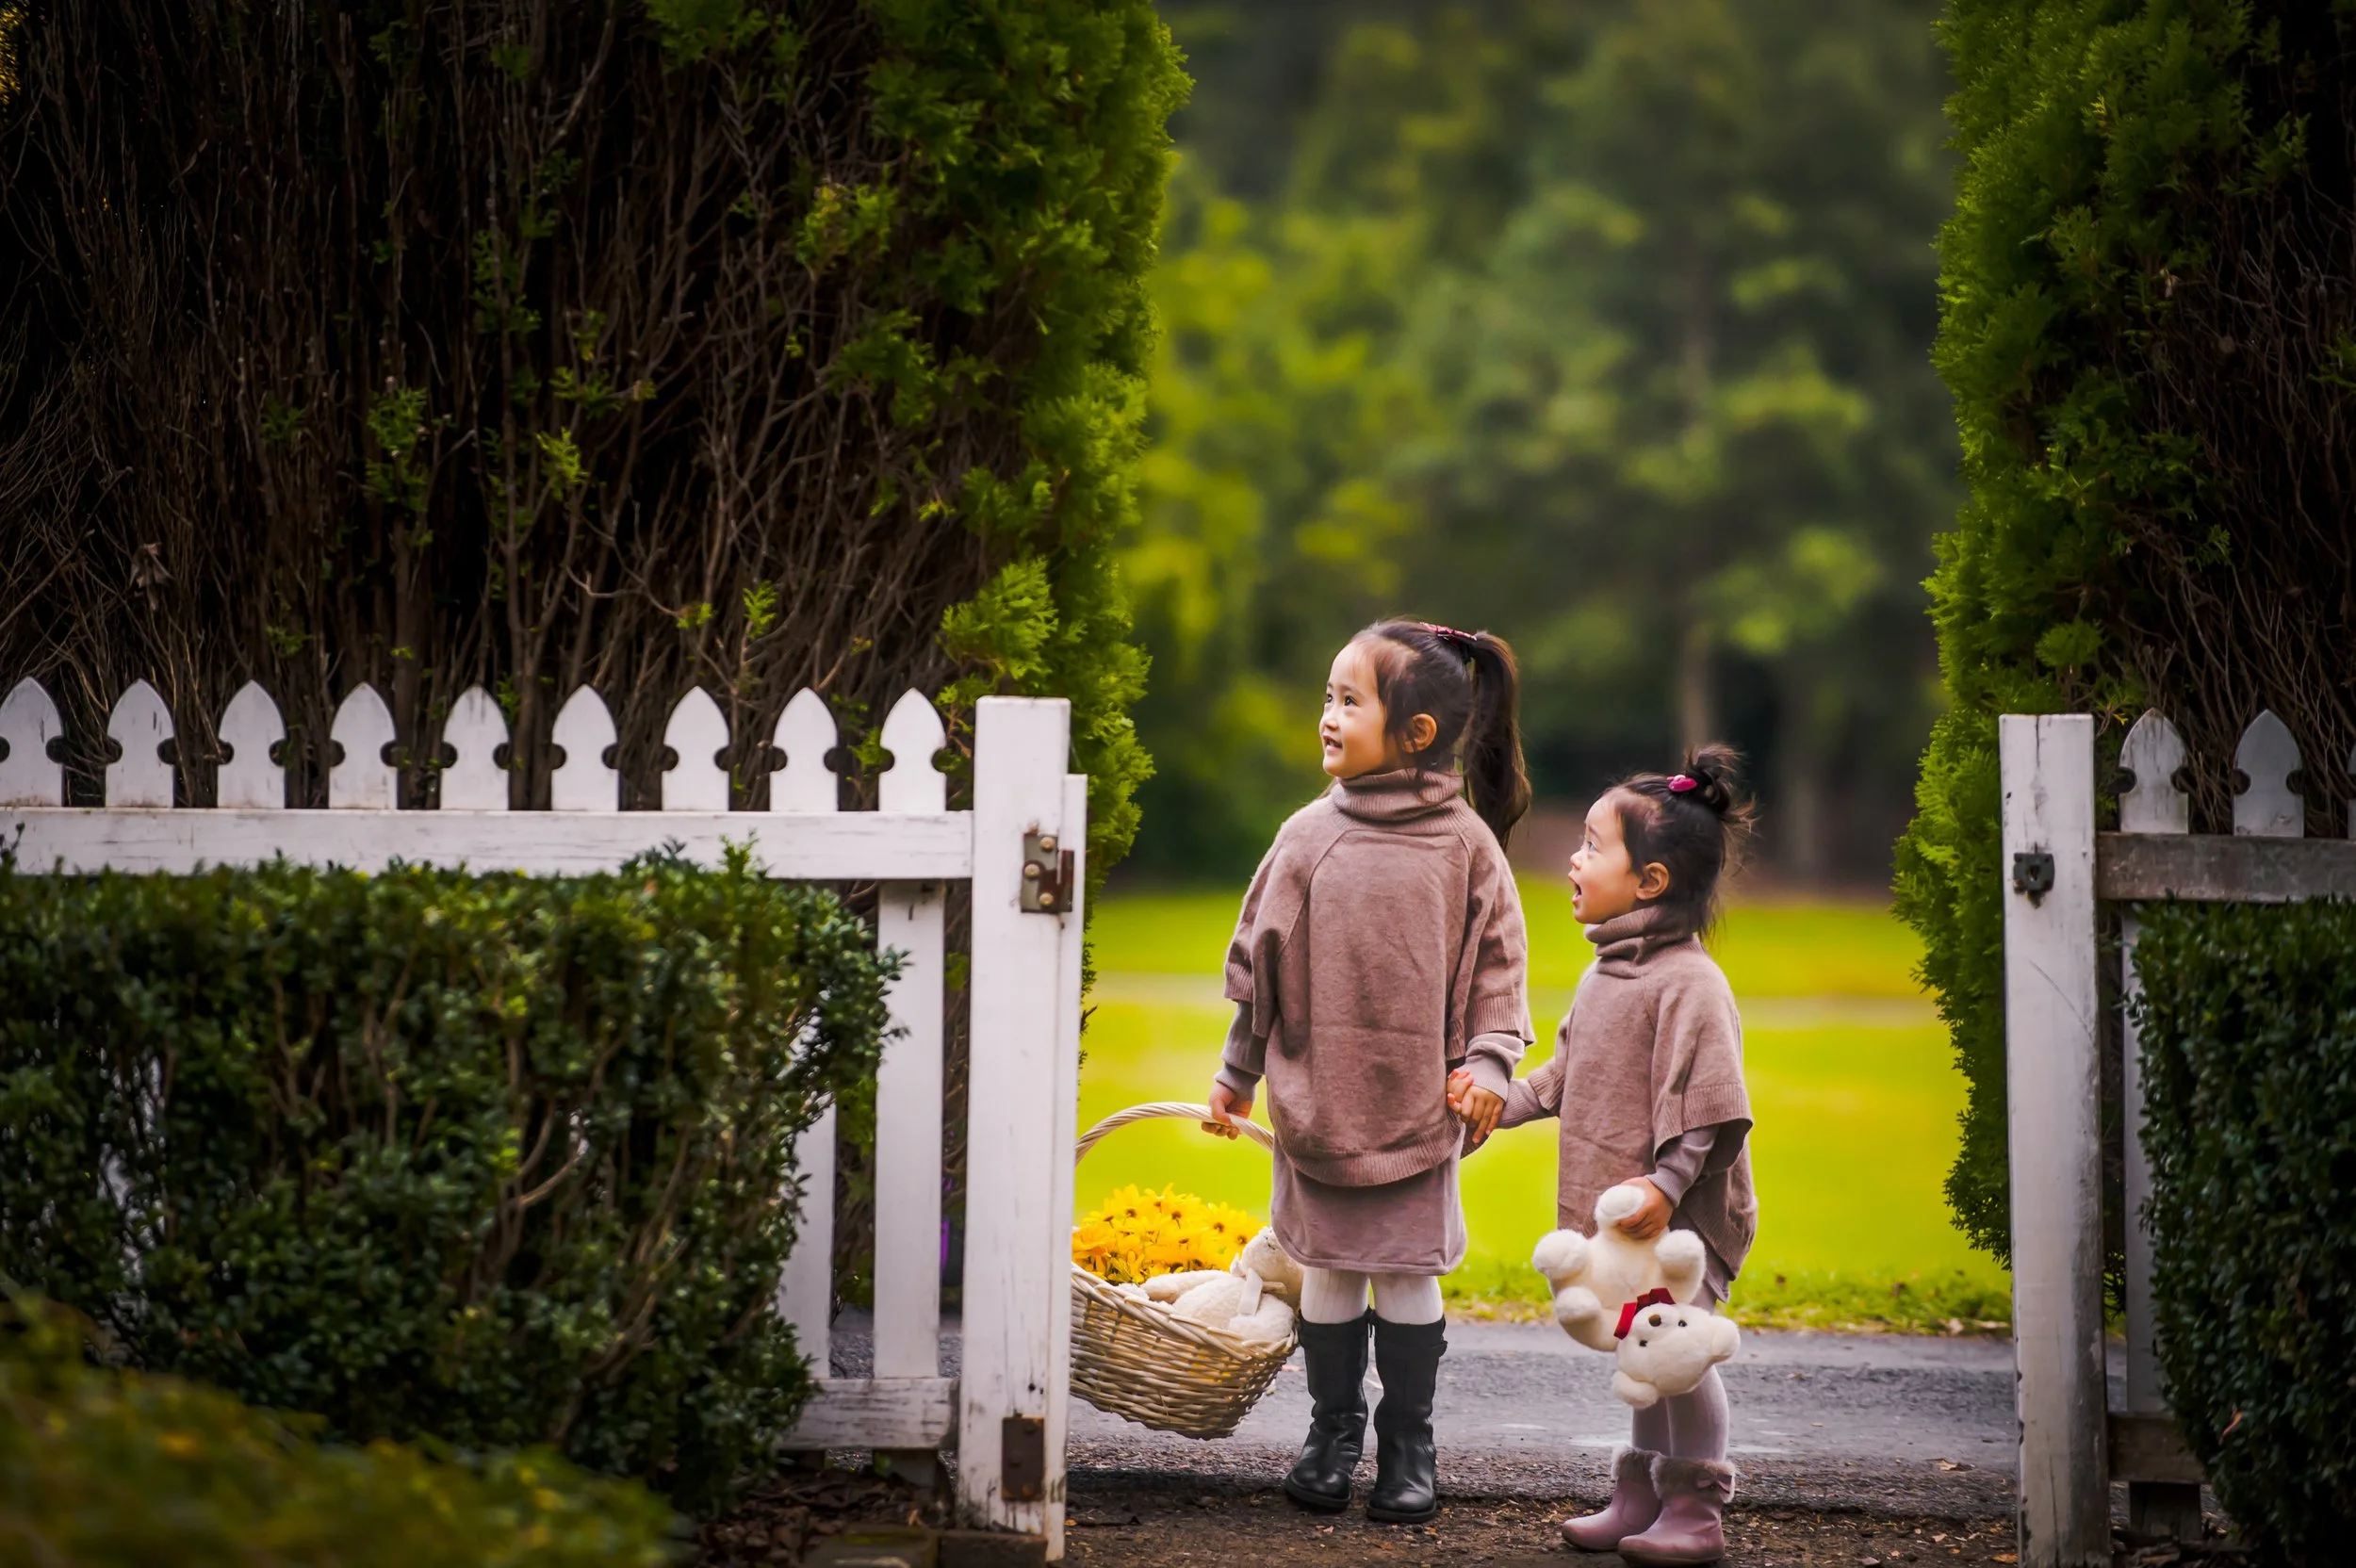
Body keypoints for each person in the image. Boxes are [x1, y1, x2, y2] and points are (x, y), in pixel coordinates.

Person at [1203, 618, 1533, 1524]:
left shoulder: (1468, 847)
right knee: (1332, 1274)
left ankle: (1409, 1441)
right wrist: (1237, 1071)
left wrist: (1491, 1064)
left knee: (1406, 1275)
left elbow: (1501, 971)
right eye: (1327, 696)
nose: (1328, 714)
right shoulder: (1308, 837)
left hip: (1418, 1109)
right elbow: (1257, 970)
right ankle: (1333, 1431)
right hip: (1321, 1103)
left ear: (1416, 734)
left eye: (1349, 700)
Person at [1454, 744, 1758, 1565]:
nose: (1573, 862)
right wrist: (1494, 1107)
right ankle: (1641, 1493)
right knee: (1642, 1349)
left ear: (1650, 882)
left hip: (1678, 1218)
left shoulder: (1688, 984)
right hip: (1627, 1222)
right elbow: (1562, 1078)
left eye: (1593, 845)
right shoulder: (1605, 976)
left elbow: (1710, 1102)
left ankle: (1696, 1509)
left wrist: (1666, 1183)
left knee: (1679, 1353)